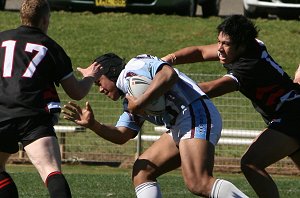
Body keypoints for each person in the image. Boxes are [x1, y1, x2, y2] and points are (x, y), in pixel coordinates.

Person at [63, 53, 249, 198]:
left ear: (110, 72)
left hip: (195, 112)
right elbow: (122, 134)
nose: (100, 89)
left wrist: (141, 103)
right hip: (181, 123)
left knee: (198, 183)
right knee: (142, 172)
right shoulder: (129, 97)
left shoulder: (134, 67)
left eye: (99, 82)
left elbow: (169, 74)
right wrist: (93, 125)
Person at [161, 15, 300, 198]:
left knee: (251, 163)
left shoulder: (249, 66)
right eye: (218, 41)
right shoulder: (251, 45)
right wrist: (165, 61)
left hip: (292, 116)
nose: (219, 48)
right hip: (289, 113)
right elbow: (200, 52)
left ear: (241, 45)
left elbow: (210, 88)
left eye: (225, 44)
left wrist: (162, 87)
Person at [0, 0, 101, 197]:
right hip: (33, 116)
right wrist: (90, 76)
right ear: (45, 20)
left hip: (1, 114)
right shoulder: (51, 47)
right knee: (51, 172)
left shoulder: (1, 39)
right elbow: (76, 92)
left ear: (22, 16)